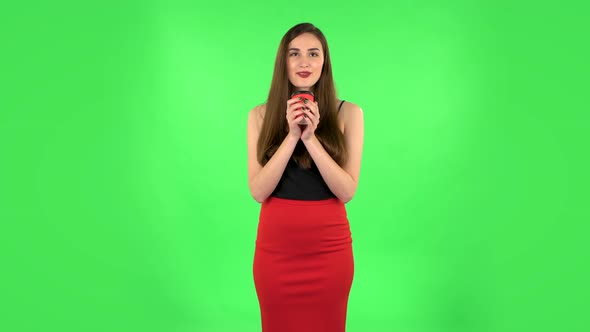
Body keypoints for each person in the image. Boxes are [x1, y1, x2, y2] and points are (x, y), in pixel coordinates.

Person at [247, 22, 364, 332]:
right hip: (276, 251)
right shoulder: (259, 115)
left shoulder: (349, 113)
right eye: (294, 53)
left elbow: (347, 190)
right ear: (282, 61)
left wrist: (311, 139)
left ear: (324, 62)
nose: (304, 62)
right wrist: (291, 135)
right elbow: (259, 191)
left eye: (313, 53)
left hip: (330, 251)